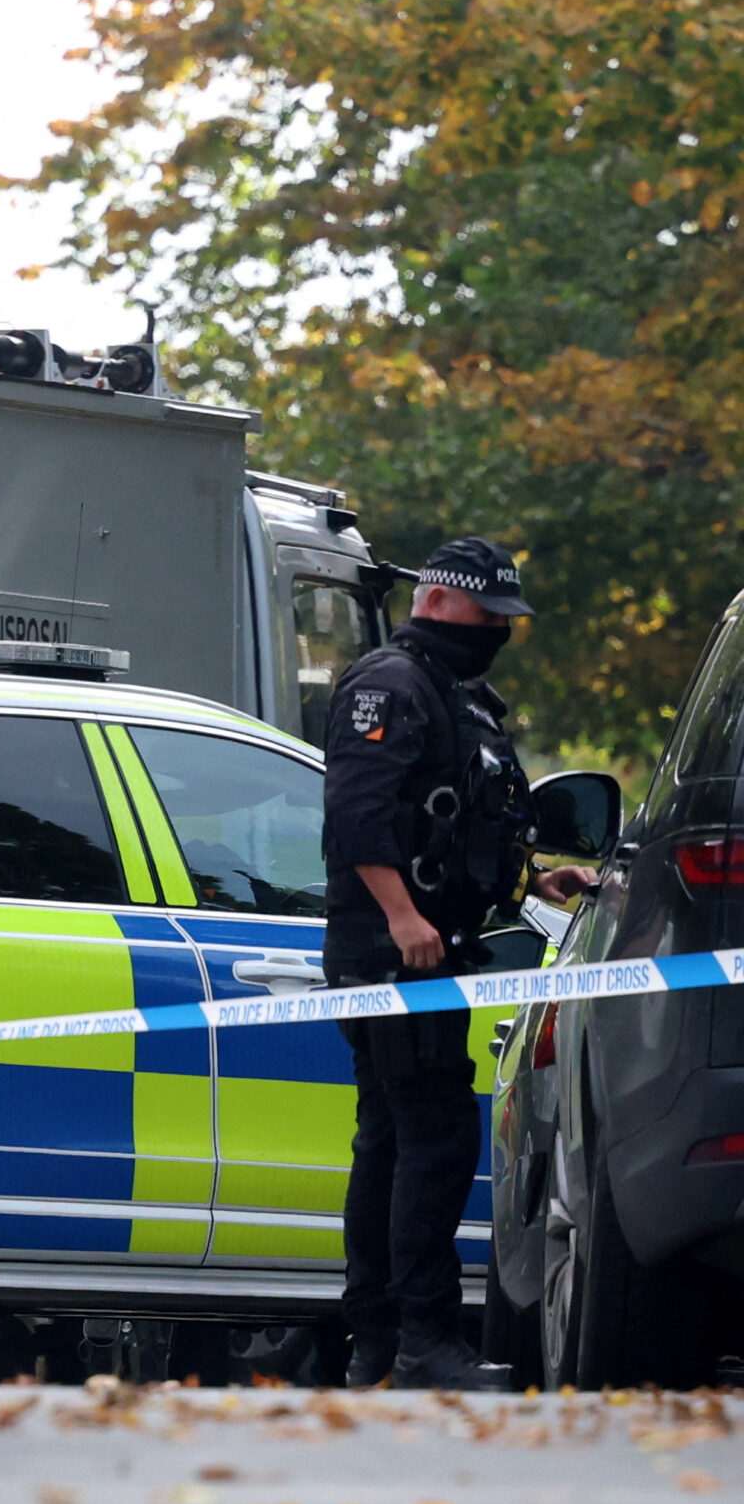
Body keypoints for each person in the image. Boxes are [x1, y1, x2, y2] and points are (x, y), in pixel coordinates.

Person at [321, 537, 597, 1391]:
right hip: (394, 955)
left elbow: (458, 823)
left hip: (427, 950)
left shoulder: (451, 694)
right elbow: (358, 815)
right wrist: (403, 917)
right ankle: (421, 1342)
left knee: (396, 1140)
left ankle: (375, 1343)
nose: (502, 633)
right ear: (440, 601)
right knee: (431, 1142)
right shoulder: (389, 685)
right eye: (492, 617)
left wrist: (531, 880)